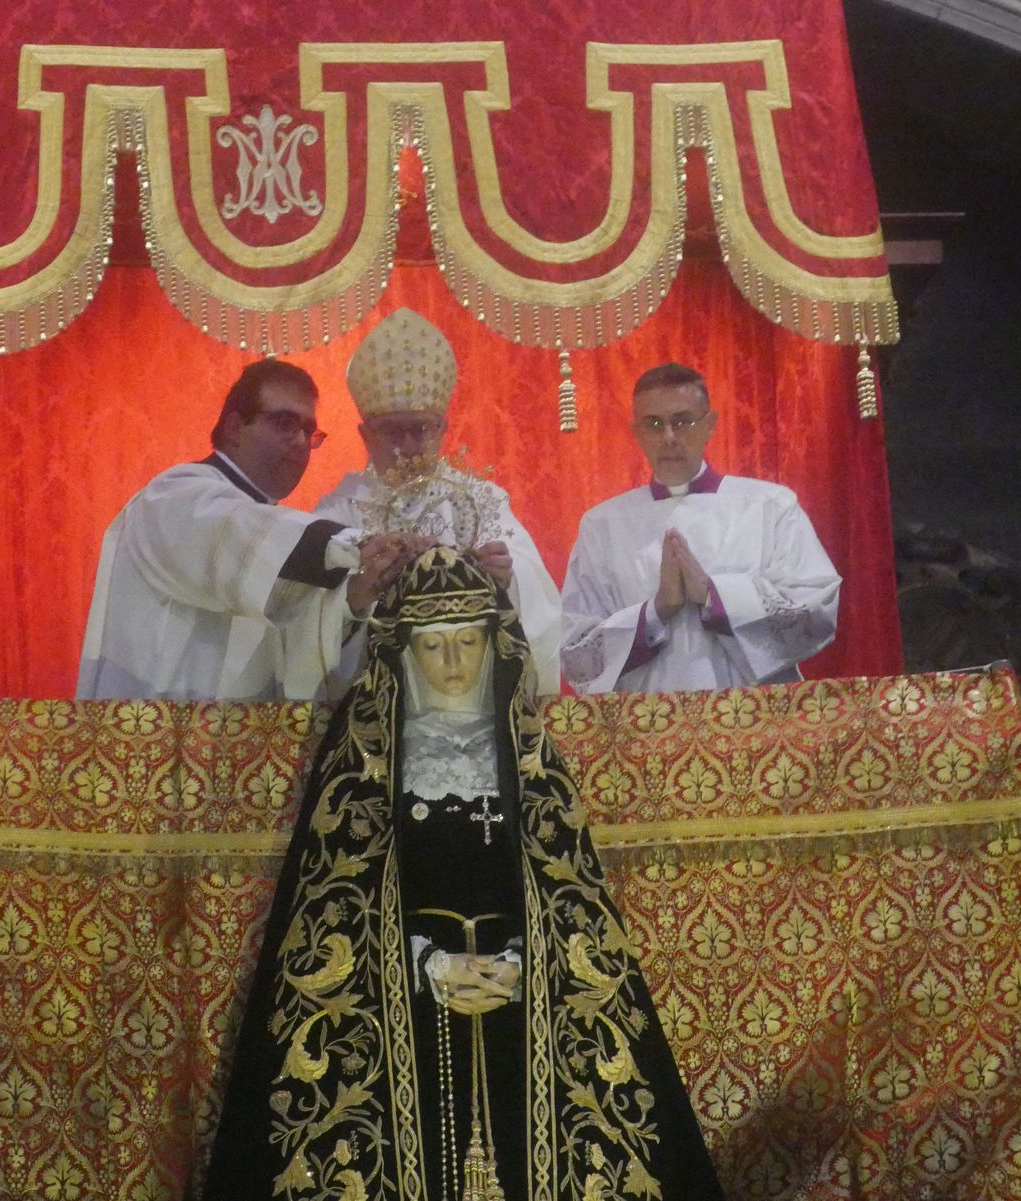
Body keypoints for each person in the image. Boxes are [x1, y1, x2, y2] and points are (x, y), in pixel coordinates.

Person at [201, 546, 725, 1201]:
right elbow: (333, 910)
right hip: (400, 1026)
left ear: (493, 642)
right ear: (404, 653)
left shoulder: (533, 761)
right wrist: (424, 963)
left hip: (523, 1003)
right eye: (433, 645)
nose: (452, 664)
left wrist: (520, 959)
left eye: (468, 641)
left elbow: (573, 904)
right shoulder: (362, 766)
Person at [76, 359, 414, 701]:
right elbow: (244, 535)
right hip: (152, 734)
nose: (300, 441)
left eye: (309, 432)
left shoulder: (272, 532)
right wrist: (363, 545)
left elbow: (294, 639)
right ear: (235, 428)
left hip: (237, 743)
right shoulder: (175, 496)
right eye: (285, 422)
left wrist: (355, 596)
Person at [316, 307, 563, 693]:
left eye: (422, 429)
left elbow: (538, 600)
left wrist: (501, 580)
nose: (409, 447)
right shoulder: (339, 512)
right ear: (365, 436)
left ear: (443, 428)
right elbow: (309, 625)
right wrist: (362, 590)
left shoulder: (483, 502)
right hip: (376, 702)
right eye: (392, 432)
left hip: (470, 699)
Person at [559, 362, 841, 693]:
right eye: (654, 424)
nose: (669, 438)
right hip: (644, 726)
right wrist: (657, 609)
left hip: (753, 720)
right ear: (636, 432)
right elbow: (576, 652)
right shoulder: (602, 525)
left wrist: (713, 595)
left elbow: (816, 610)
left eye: (682, 421)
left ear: (710, 425)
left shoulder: (770, 506)